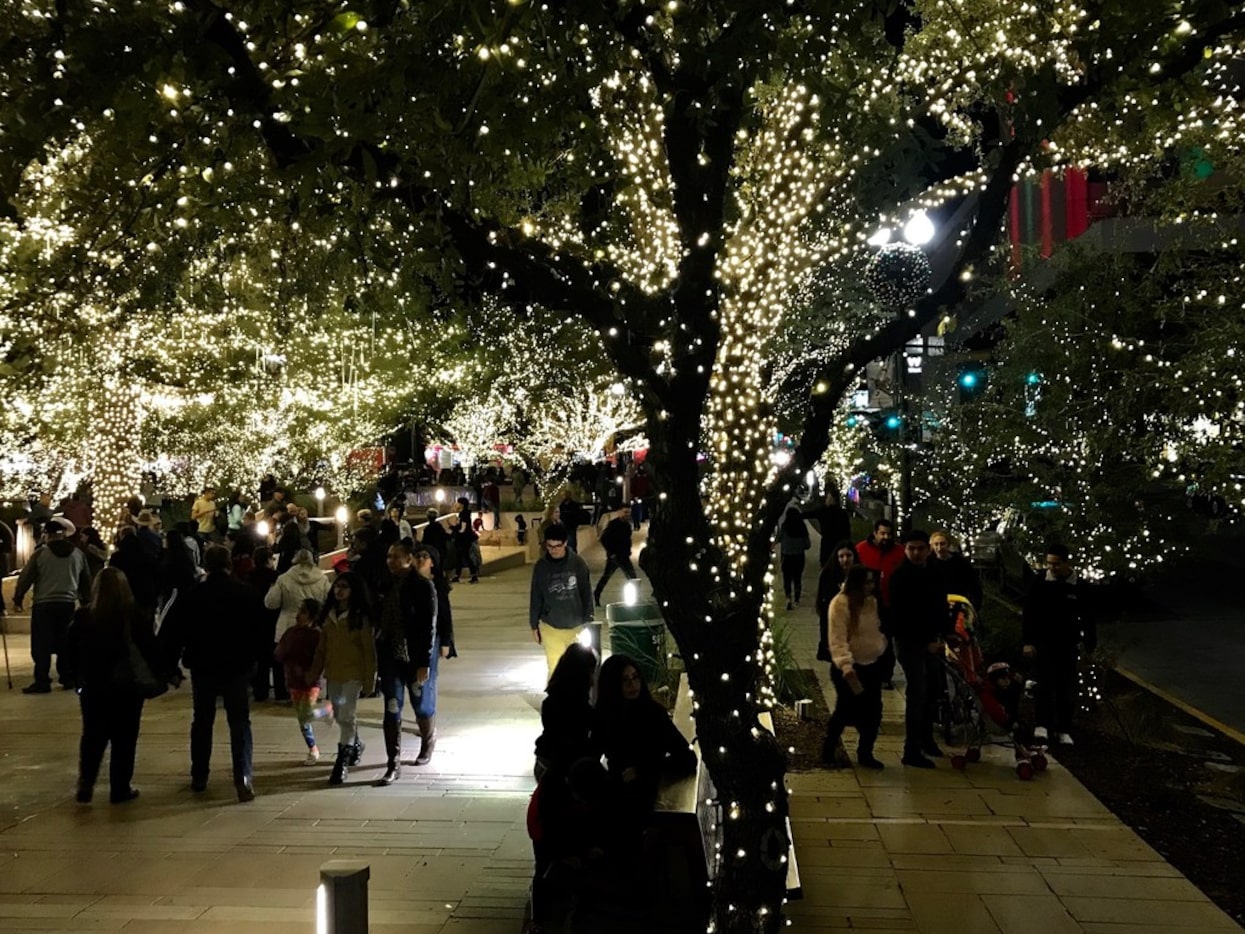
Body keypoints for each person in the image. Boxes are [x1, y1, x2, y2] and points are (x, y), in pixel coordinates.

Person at [160, 545, 267, 802]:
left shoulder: (192, 595)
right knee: (239, 721)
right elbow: (260, 631)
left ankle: (199, 775)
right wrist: (256, 662)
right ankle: (243, 777)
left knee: (203, 721)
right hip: (237, 667)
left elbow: (172, 633)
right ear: (229, 564)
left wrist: (170, 668)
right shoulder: (246, 593)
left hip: (203, 665)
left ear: (205, 566)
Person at [67, 567, 156, 804]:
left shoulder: (84, 616)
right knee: (124, 738)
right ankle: (119, 788)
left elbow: (69, 650)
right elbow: (149, 648)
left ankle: (86, 783)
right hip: (126, 686)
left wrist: (76, 678)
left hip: (94, 686)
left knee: (92, 736)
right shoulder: (134, 616)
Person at [375, 544, 446, 784]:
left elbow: (429, 626)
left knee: (421, 705)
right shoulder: (384, 584)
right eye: (388, 556)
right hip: (390, 656)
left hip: (414, 656)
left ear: (409, 559)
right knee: (392, 706)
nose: (390, 561)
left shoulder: (423, 587)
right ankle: (392, 763)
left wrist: (424, 662)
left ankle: (429, 739)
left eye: (396, 557)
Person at [591, 654, 696, 816]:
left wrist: (644, 770)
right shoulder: (604, 716)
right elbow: (592, 756)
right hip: (616, 800)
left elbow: (687, 758)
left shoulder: (653, 714)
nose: (633, 684)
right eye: (625, 680)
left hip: (646, 800)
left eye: (635, 677)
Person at [887, 530, 952, 768]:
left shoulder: (935, 573)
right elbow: (903, 615)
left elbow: (939, 605)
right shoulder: (900, 576)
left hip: (933, 641)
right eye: (911, 548)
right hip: (911, 641)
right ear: (905, 550)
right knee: (918, 692)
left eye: (920, 548)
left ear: (927, 549)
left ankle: (926, 739)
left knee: (934, 689)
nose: (916, 553)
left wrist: (945, 633)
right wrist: (927, 640)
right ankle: (911, 749)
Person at [1023, 544, 1097, 745]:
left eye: (1056, 564)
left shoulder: (1079, 586)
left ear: (1066, 563)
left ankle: (1063, 727)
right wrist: (1028, 641)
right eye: (1049, 564)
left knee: (1066, 687)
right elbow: (1029, 612)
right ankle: (1042, 725)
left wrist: (1089, 645)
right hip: (1044, 642)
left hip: (1068, 643)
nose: (1052, 568)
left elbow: (1088, 617)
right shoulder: (1039, 582)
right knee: (1044, 684)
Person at [820, 566, 889, 770]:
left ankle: (865, 752)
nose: (871, 586)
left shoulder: (871, 602)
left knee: (874, 712)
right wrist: (845, 664)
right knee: (844, 710)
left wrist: (880, 646)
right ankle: (829, 748)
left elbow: (876, 628)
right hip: (850, 667)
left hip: (872, 664)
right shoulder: (840, 604)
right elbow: (837, 637)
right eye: (867, 582)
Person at [312, 573, 378, 783]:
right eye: (337, 586)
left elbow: (369, 651)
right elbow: (322, 648)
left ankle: (341, 761)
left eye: (345, 587)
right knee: (339, 714)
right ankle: (355, 743)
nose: (339, 591)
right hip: (334, 673)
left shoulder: (359, 618)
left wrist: (370, 679)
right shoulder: (329, 616)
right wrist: (314, 673)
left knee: (346, 715)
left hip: (353, 674)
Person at [14, 517, 92, 693]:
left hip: (44, 604)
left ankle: (42, 680)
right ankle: (67, 677)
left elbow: (26, 577)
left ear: (46, 535)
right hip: (68, 604)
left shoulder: (41, 554)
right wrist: (86, 600)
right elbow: (86, 580)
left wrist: (18, 597)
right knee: (66, 642)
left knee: (41, 645)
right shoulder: (78, 554)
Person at [263, 549, 332, 702]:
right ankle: (312, 692)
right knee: (312, 659)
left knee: (286, 660)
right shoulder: (322, 579)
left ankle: (284, 693)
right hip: (313, 626)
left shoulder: (284, 578)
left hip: (287, 624)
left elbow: (270, 603)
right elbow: (329, 600)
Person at [529, 523, 594, 677]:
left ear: (565, 543)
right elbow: (536, 596)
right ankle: (557, 699)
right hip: (551, 627)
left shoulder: (578, 563)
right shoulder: (541, 567)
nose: (553, 550)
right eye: (549, 546)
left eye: (557, 546)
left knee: (578, 670)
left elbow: (586, 593)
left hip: (576, 626)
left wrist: (589, 620)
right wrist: (533, 625)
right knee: (555, 669)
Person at [274, 597, 329, 764]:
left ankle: (313, 749)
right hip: (293, 679)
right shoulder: (291, 632)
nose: (298, 615)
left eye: (303, 612)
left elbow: (320, 657)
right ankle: (325, 715)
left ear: (312, 615)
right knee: (302, 716)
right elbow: (278, 653)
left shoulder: (317, 635)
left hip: (311, 681)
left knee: (305, 716)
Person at [534, 642, 598, 782]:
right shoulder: (579, 708)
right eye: (591, 672)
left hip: (545, 762)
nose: (593, 680)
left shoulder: (551, 701)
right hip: (562, 770)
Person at [815, 541, 858, 662]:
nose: (845, 560)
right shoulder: (828, 575)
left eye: (848, 556)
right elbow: (824, 607)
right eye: (841, 556)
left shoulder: (860, 575)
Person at [855, 519, 906, 613]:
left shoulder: (900, 551)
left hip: (892, 604)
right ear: (875, 533)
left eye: (889, 534)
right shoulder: (860, 549)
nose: (886, 537)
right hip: (866, 603)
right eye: (882, 533)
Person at [593, 507, 637, 607]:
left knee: (633, 578)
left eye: (629, 512)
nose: (627, 514)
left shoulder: (627, 525)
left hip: (624, 556)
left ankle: (635, 599)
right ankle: (597, 594)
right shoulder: (613, 524)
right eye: (625, 512)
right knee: (606, 577)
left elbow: (627, 540)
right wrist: (611, 553)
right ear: (620, 512)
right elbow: (604, 539)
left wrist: (628, 550)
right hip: (615, 557)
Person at [929, 530, 983, 612]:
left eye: (942, 544)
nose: (939, 548)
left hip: (959, 605)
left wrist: (973, 606)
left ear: (948, 544)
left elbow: (974, 585)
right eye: (936, 544)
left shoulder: (960, 563)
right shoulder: (928, 564)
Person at [803, 489, 851, 567]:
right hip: (839, 544)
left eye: (828, 498)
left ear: (832, 499)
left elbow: (809, 514)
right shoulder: (842, 513)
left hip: (827, 543)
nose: (826, 500)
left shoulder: (824, 511)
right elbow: (847, 531)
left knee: (826, 564)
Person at [777, 505, 812, 610]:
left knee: (787, 578)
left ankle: (788, 598)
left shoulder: (784, 527)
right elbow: (808, 545)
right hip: (799, 557)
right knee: (797, 578)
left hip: (786, 556)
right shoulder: (802, 528)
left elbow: (778, 538)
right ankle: (796, 599)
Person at [450, 513, 480, 584]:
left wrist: (453, 527)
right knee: (460, 558)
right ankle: (457, 576)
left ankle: (474, 576)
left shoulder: (464, 516)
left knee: (466, 557)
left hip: (464, 541)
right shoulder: (462, 515)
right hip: (462, 541)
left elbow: (462, 529)